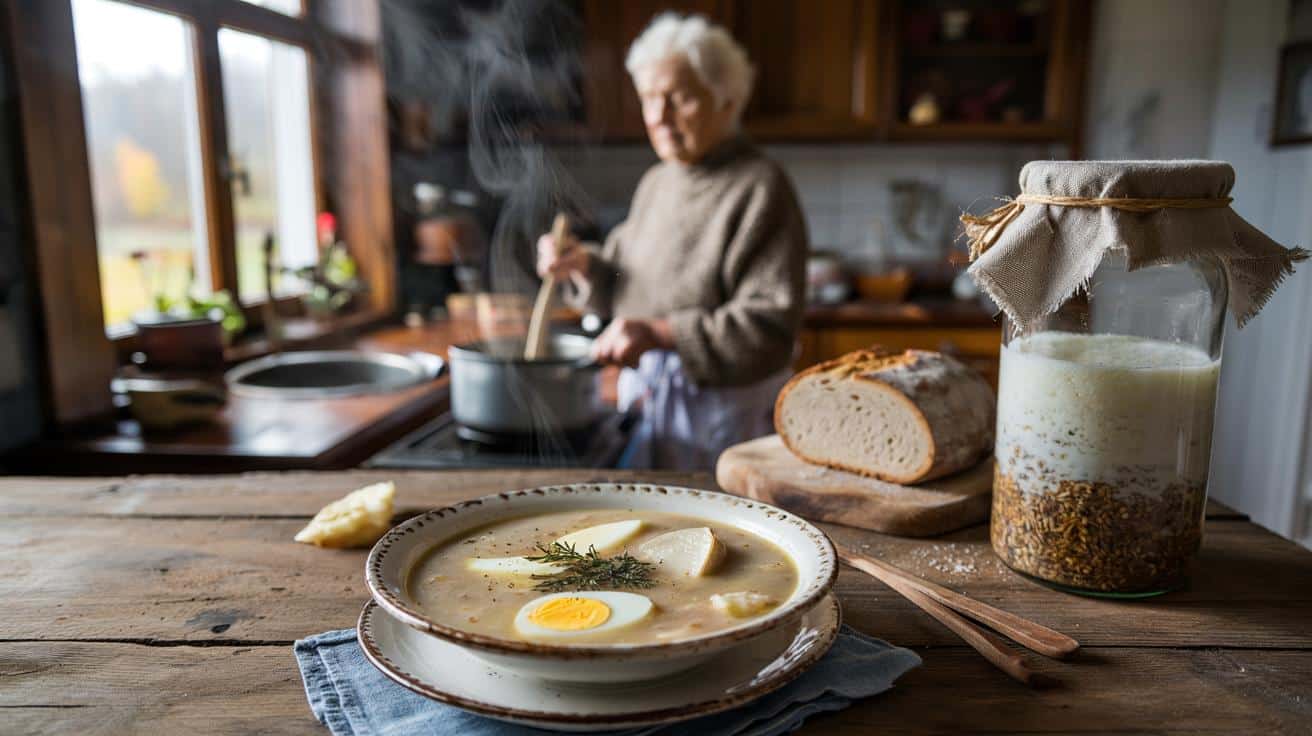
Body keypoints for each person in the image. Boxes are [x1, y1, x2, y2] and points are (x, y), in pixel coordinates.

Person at [536, 13, 808, 471]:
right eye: (647, 99)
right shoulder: (658, 181)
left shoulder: (760, 186)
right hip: (647, 395)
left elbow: (769, 329)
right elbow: (626, 273)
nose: (658, 116)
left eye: (678, 98)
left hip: (720, 413)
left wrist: (657, 333)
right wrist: (582, 264)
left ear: (726, 99)